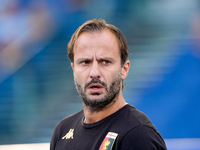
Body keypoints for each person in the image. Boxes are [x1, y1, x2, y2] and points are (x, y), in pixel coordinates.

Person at [50, 19, 167, 150]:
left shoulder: (138, 135)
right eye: (85, 62)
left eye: (105, 62)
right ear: (73, 69)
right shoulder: (62, 130)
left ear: (124, 69)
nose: (94, 73)